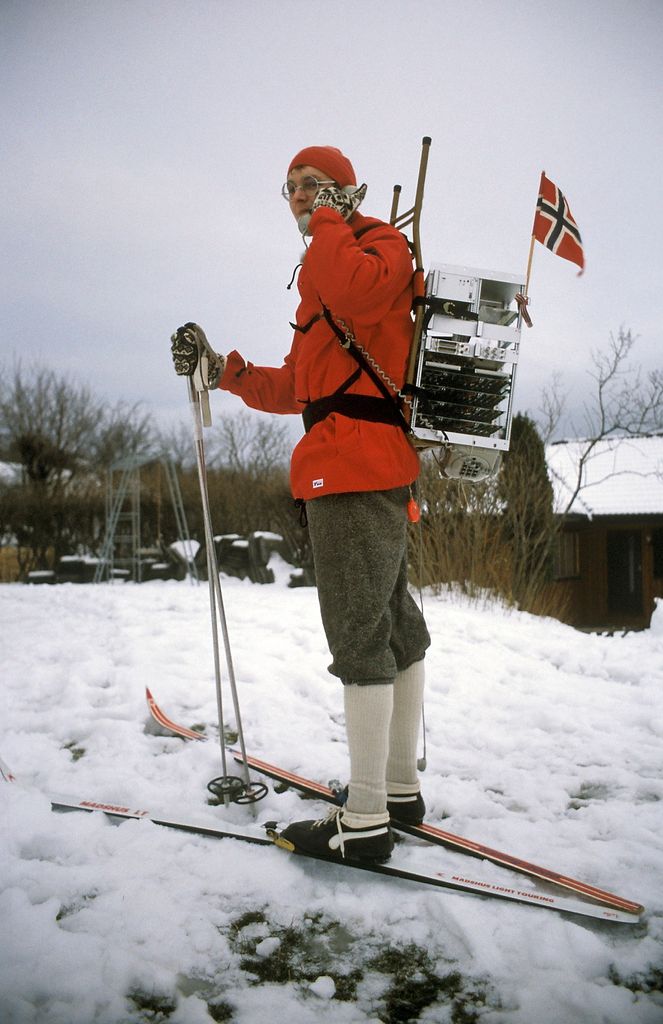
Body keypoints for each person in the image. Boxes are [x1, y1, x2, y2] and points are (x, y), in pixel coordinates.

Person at [171, 145, 430, 863]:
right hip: (358, 462)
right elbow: (300, 387)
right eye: (289, 189)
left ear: (345, 192)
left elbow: (350, 293)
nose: (298, 198)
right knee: (392, 625)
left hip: (354, 469)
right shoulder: (336, 261)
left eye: (313, 187)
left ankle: (366, 820)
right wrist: (226, 372)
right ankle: (399, 789)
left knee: (359, 636)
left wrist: (327, 225)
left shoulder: (374, 246)